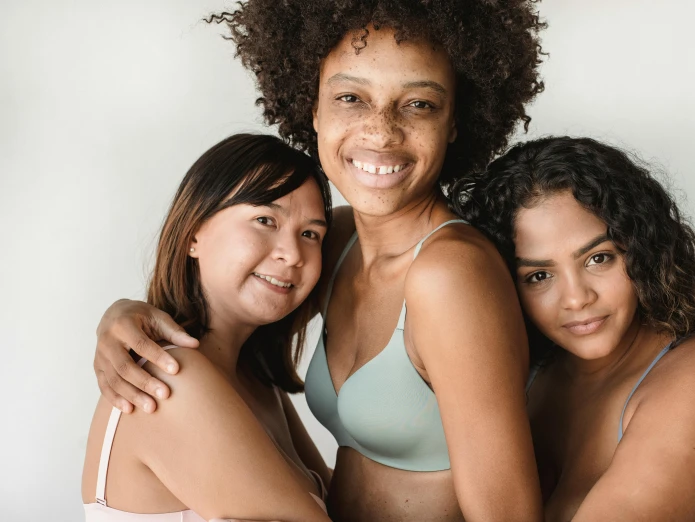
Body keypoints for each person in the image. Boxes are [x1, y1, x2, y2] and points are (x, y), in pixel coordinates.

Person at [91, 1, 547, 520]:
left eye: (418, 104)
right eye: (351, 97)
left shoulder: (450, 274)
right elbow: (234, 298)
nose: (381, 132)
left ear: (455, 123)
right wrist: (122, 316)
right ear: (313, 109)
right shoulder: (333, 241)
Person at [455, 136, 695, 522]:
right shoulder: (528, 376)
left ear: (640, 247)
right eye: (538, 275)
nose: (576, 298)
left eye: (598, 258)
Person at [82, 134, 334, 521]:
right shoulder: (170, 380)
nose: (292, 253)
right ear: (193, 234)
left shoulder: (260, 386)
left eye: (310, 234)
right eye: (265, 220)